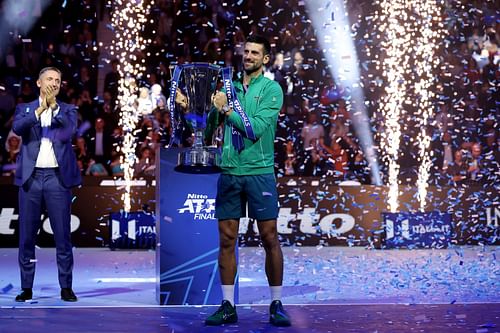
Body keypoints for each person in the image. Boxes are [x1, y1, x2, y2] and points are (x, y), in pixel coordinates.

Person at [203, 35, 291, 327]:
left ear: (265, 59)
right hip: (230, 171)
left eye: (255, 53)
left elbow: (254, 129)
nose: (248, 56)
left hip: (260, 172)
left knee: (269, 238)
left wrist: (226, 109)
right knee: (226, 240)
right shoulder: (227, 88)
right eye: (246, 52)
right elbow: (208, 136)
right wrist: (213, 112)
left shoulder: (272, 90)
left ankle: (276, 303)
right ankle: (228, 304)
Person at [12, 67, 81, 302]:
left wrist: (53, 108)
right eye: (50, 79)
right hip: (31, 178)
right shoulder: (25, 108)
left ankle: (66, 287)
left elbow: (69, 131)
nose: (54, 83)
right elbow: (17, 128)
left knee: (63, 235)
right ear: (40, 83)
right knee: (27, 236)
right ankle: (26, 287)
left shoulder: (68, 110)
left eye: (58, 80)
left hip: (57, 179)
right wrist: (40, 109)